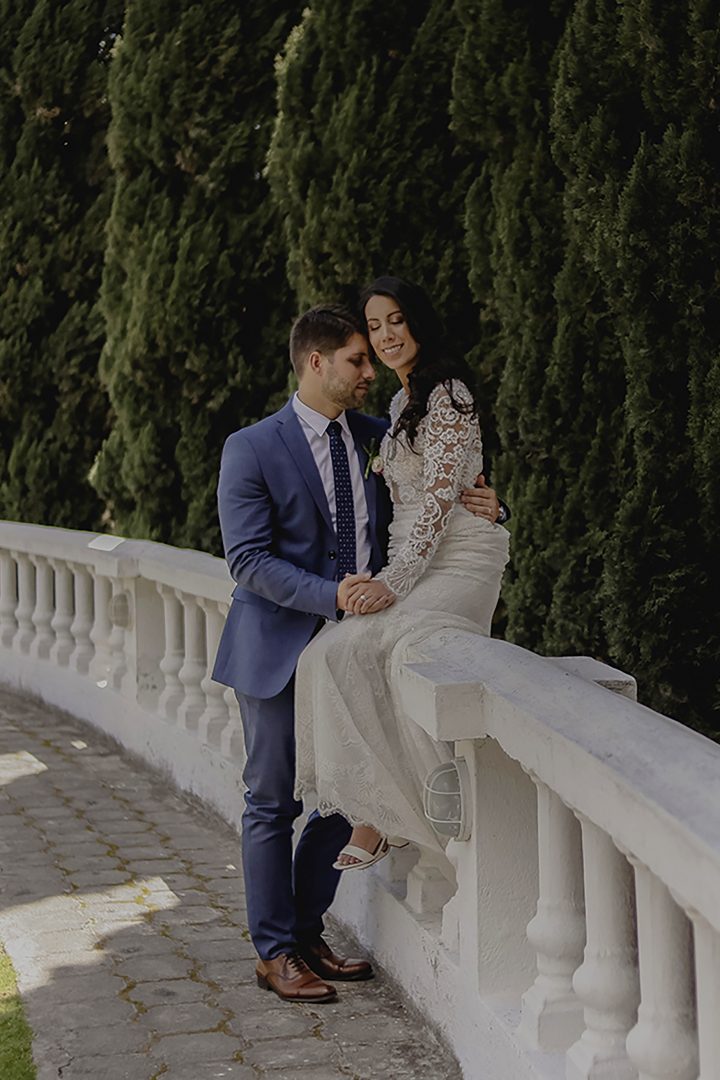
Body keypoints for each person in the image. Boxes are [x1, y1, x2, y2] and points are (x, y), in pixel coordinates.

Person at [212, 302, 503, 1004]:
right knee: (272, 801)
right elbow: (247, 559)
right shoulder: (251, 447)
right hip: (279, 647)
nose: (371, 369)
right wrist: (333, 595)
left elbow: (435, 492)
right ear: (316, 363)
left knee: (346, 793)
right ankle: (274, 953)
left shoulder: (380, 435)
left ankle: (306, 934)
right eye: (357, 359)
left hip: (362, 644)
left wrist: (494, 507)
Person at [294, 277, 510, 871]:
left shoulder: (449, 395)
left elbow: (440, 501)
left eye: (396, 320)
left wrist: (393, 582)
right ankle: (383, 811)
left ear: (416, 321)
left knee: (369, 647)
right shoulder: (397, 407)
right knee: (328, 654)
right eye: (375, 326)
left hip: (457, 559)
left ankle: (385, 819)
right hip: (417, 557)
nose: (386, 335)